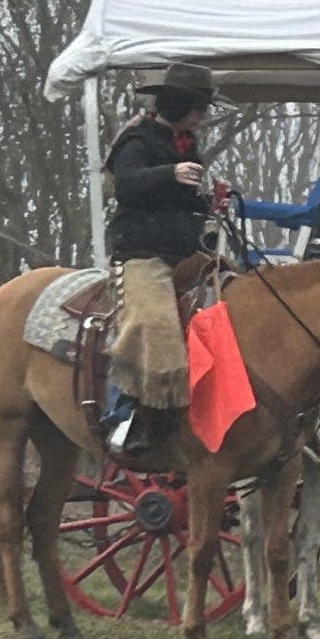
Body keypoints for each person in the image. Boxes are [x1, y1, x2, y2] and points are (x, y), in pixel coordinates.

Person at [101, 62, 217, 453]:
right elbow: (127, 185)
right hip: (143, 253)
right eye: (198, 108)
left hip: (187, 251)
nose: (203, 116)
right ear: (178, 103)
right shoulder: (136, 140)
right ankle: (129, 417)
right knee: (152, 323)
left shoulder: (186, 144)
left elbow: (179, 200)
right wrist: (170, 173)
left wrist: (210, 198)